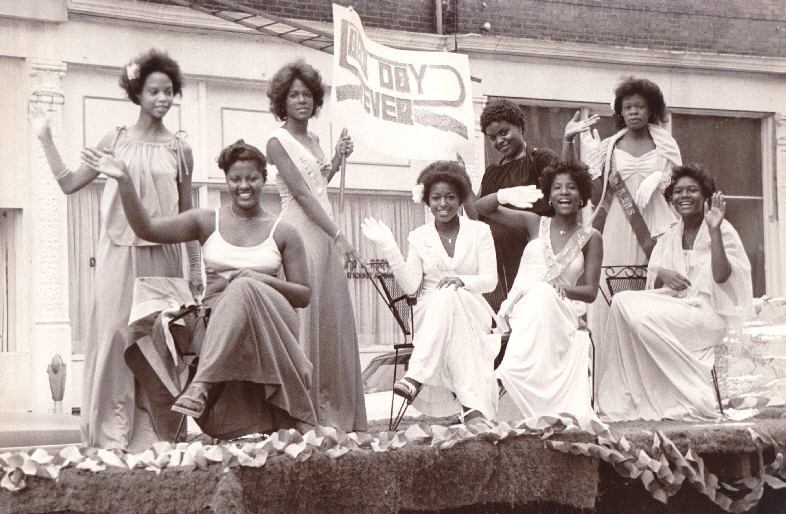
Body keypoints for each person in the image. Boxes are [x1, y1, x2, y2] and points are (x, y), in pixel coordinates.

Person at [85, 139, 318, 440]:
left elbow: (303, 295)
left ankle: (202, 385)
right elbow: (147, 230)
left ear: (265, 179)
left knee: (245, 286)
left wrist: (256, 279)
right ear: (226, 181)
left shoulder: (285, 231)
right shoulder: (207, 221)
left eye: (252, 179)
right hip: (216, 320)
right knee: (233, 292)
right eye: (235, 179)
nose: (243, 186)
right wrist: (124, 182)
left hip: (274, 320)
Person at [30, 49, 202, 450]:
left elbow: (187, 211)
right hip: (117, 253)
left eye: (169, 91)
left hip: (163, 258)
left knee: (157, 344)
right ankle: (110, 433)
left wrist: (195, 266)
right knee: (112, 337)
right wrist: (46, 137)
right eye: (153, 91)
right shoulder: (116, 140)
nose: (162, 98)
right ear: (137, 94)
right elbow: (70, 183)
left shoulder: (180, 149)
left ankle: (157, 435)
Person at [597, 165, 752, 422]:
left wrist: (714, 230)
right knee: (622, 301)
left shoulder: (722, 230)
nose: (684, 196)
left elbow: (722, 276)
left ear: (705, 196)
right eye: (678, 191)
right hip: (676, 309)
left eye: (692, 190)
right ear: (671, 200)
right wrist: (662, 275)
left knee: (639, 318)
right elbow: (655, 286)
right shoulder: (670, 236)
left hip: (707, 316)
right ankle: (625, 397)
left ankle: (688, 395)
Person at [265, 60, 367, 432]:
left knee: (330, 320)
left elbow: (321, 183)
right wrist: (340, 236)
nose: (301, 101)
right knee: (305, 320)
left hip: (323, 234)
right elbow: (305, 197)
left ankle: (330, 409)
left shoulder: (315, 140)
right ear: (282, 101)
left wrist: (338, 157)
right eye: (293, 95)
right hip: (300, 235)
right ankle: (303, 412)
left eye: (307, 94)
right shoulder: (277, 142)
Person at [362, 161, 499, 422]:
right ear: (427, 200)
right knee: (445, 298)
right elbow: (412, 286)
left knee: (451, 294)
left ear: (460, 199)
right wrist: (390, 248)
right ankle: (471, 406)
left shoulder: (480, 231)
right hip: (430, 314)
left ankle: (415, 376)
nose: (443, 204)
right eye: (436, 198)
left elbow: (490, 281)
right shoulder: (419, 235)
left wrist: (461, 281)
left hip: (472, 308)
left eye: (450, 197)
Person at [475, 161, 603, 422]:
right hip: (522, 307)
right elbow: (480, 209)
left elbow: (590, 291)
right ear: (550, 195)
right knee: (541, 295)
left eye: (572, 187)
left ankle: (508, 376)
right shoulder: (534, 223)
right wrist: (505, 195)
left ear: (582, 196)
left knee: (545, 294)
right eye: (557, 188)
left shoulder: (591, 237)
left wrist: (562, 288)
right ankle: (510, 379)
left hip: (563, 307)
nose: (564, 193)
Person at [477, 99, 598, 303]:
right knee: (499, 320)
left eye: (504, 132)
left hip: (532, 253)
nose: (499, 140)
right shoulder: (491, 172)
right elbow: (479, 214)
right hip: (495, 259)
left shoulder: (538, 159)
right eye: (493, 137)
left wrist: (567, 141)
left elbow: (567, 176)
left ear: (520, 127)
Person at [583, 77, 682, 265]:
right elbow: (598, 198)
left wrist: (660, 178)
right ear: (621, 112)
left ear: (651, 109)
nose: (634, 112)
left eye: (640, 106)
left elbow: (679, 188)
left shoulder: (666, 144)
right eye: (628, 107)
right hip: (619, 222)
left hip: (655, 223)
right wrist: (593, 159)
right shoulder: (609, 147)